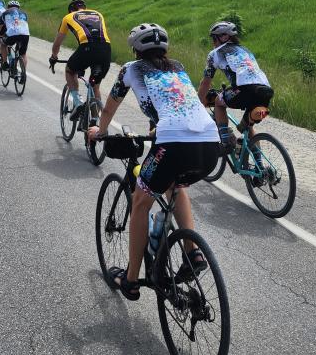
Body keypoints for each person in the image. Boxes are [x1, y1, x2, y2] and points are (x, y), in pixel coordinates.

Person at [88, 23, 220, 300]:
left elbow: (110, 105)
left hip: (172, 145)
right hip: (210, 144)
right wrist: (158, 130)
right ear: (165, 49)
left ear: (136, 50)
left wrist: (99, 132)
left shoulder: (130, 69)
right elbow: (177, 104)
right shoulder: (177, 67)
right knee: (176, 184)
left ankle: (131, 279)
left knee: (140, 201)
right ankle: (192, 252)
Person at [197, 21, 273, 151]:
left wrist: (197, 104)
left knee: (218, 102)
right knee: (246, 127)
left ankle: (226, 143)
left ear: (223, 37)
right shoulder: (245, 50)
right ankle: (260, 165)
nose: (213, 42)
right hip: (265, 91)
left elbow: (206, 82)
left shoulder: (215, 53)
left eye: (214, 38)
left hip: (245, 89)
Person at [49, 0, 112, 118]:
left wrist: (54, 56)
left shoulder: (69, 17)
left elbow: (57, 43)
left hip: (87, 47)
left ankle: (77, 103)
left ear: (71, 10)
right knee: (95, 85)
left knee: (70, 70)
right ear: (85, 7)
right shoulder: (98, 14)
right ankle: (95, 122)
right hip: (106, 49)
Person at [0, 0, 30, 83]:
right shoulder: (24, 13)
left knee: (3, 44)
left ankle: (4, 63)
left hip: (12, 33)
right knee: (23, 53)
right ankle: (23, 73)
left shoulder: (5, 13)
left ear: (8, 7)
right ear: (18, 7)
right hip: (25, 34)